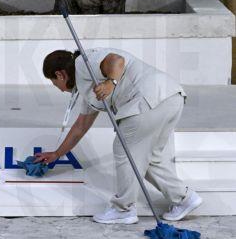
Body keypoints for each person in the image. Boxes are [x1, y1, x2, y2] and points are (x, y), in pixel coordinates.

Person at [34, 47, 203, 224]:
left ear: (60, 74)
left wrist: (110, 82)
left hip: (147, 98)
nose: (60, 90)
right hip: (170, 97)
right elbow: (80, 126)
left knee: (124, 151)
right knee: (149, 159)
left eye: (54, 83)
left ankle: (123, 209)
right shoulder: (87, 87)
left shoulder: (83, 63)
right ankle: (184, 199)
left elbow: (116, 60)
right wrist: (57, 154)